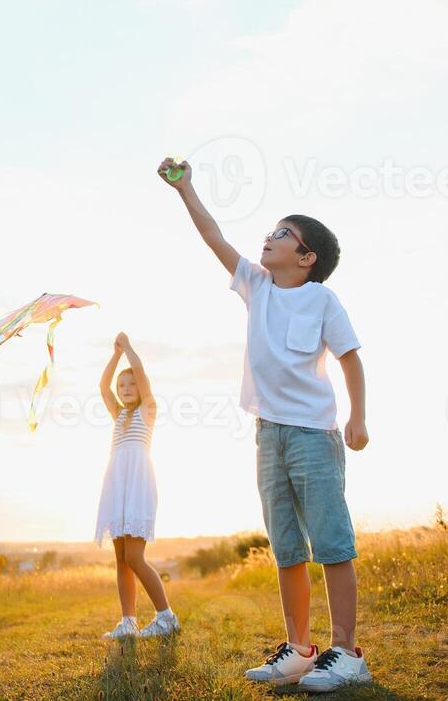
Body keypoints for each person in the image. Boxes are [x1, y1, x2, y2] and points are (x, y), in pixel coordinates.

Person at [158, 157, 371, 691]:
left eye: (284, 234)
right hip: (268, 435)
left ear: (306, 257)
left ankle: (347, 652)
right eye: (272, 230)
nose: (270, 237)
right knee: (287, 547)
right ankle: (300, 649)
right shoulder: (256, 285)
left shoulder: (323, 299)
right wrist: (186, 189)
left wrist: (358, 418)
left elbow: (349, 358)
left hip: (314, 436)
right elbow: (213, 234)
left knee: (331, 541)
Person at [95, 331, 179, 639]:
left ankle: (166, 617)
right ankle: (128, 621)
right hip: (117, 485)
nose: (127, 388)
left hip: (138, 485)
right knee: (120, 558)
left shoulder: (148, 410)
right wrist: (115, 355)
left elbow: (141, 374)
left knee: (134, 556)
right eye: (123, 385)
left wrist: (128, 348)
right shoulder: (118, 413)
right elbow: (103, 386)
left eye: (131, 384)